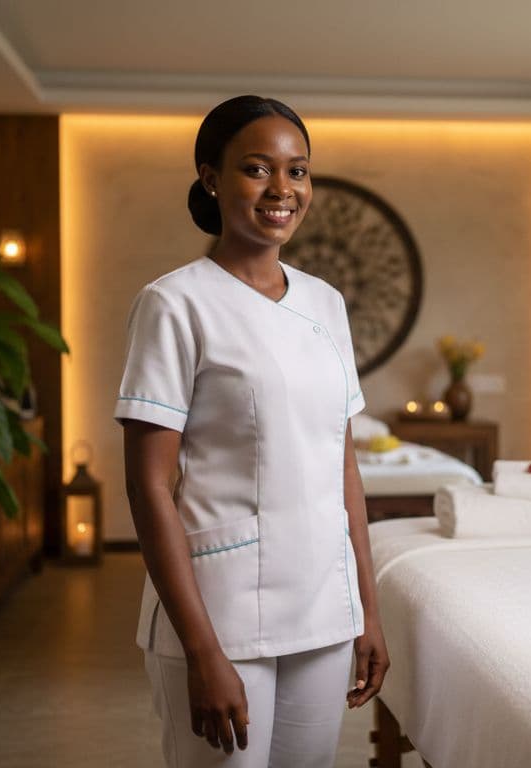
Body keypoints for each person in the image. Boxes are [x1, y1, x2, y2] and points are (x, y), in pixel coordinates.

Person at [115, 95, 389, 767]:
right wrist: (203, 652)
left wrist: (366, 608)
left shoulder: (326, 303)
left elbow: (341, 465)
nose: (282, 190)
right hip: (222, 609)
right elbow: (150, 485)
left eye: (298, 172)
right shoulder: (173, 304)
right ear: (211, 176)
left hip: (324, 606)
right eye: (257, 169)